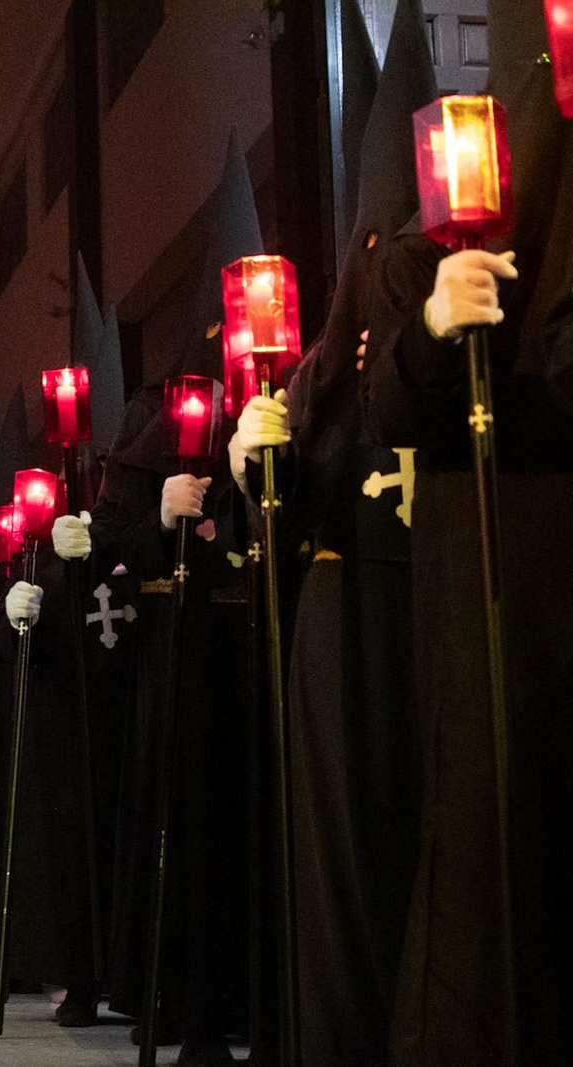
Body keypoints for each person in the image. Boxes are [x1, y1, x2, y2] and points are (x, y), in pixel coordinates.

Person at [226, 4, 434, 1062]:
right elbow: (286, 490)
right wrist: (252, 451)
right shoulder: (323, 362)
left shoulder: (448, 311)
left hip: (428, 616)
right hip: (341, 631)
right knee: (344, 877)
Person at [366, 3, 573, 1061]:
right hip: (496, 580)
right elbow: (387, 412)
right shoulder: (424, 254)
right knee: (490, 863)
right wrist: (441, 322)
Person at [96, 130, 261, 1067]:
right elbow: (118, 532)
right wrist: (162, 505)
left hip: (259, 653)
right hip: (185, 656)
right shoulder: (158, 415)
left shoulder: (283, 388)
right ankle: (185, 999)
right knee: (188, 827)